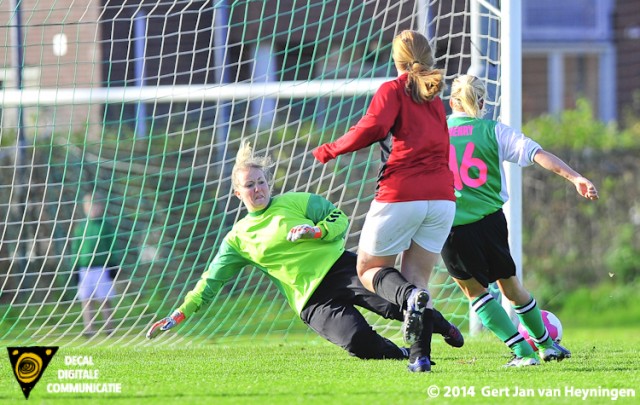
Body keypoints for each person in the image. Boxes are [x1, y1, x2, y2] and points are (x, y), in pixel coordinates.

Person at [147, 142, 462, 364]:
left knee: (399, 307)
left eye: (261, 182)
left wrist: (316, 231)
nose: (257, 189)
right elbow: (209, 283)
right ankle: (402, 355)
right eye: (249, 186)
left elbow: (338, 218)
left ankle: (444, 327)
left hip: (342, 269)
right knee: (357, 342)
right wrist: (180, 313)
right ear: (237, 192)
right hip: (311, 300)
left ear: (269, 183)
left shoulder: (297, 202)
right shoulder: (237, 239)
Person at [312, 30, 459, 372]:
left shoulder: (393, 89)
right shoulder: (433, 96)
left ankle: (408, 299)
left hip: (402, 193)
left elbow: (372, 127)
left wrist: (330, 149)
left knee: (369, 270)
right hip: (441, 198)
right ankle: (419, 357)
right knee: (418, 279)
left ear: (397, 59)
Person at [441, 75, 599, 367]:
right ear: (482, 102)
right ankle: (546, 345)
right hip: (491, 221)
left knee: (474, 291)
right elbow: (537, 154)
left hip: (452, 225)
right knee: (510, 285)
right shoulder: (494, 130)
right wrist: (575, 177)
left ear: (452, 102)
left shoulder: (435, 133)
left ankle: (523, 353)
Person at [71, 193, 120, 337]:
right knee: (86, 300)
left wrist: (113, 264)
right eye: (89, 206)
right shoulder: (81, 227)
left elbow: (113, 245)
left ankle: (109, 327)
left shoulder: (106, 225)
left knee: (105, 299)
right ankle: (89, 329)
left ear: (101, 207)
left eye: (95, 205)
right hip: (85, 269)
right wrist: (75, 267)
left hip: (102, 268)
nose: (92, 209)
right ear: (85, 208)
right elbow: (76, 247)